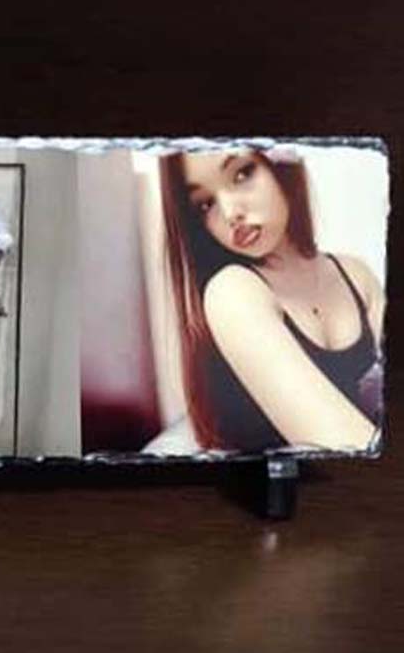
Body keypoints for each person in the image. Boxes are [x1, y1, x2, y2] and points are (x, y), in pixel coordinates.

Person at [158, 144, 385, 453]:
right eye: (205, 204)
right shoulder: (232, 291)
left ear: (280, 165)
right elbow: (345, 446)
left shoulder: (356, 275)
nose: (230, 213)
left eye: (242, 174)